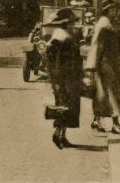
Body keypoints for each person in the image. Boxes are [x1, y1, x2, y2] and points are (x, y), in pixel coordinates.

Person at [85, 0, 120, 134]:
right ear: (107, 11)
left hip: (108, 64)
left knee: (102, 94)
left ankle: (96, 120)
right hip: (106, 65)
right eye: (113, 9)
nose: (115, 11)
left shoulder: (106, 24)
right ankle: (115, 125)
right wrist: (92, 67)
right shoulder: (104, 26)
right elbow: (97, 47)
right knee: (112, 93)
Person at [44, 8, 83, 149]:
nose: (74, 25)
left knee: (67, 107)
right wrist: (58, 82)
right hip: (64, 79)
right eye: (72, 23)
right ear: (66, 24)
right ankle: (58, 135)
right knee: (64, 107)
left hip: (68, 78)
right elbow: (56, 64)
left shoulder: (64, 36)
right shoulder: (60, 39)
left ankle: (62, 136)